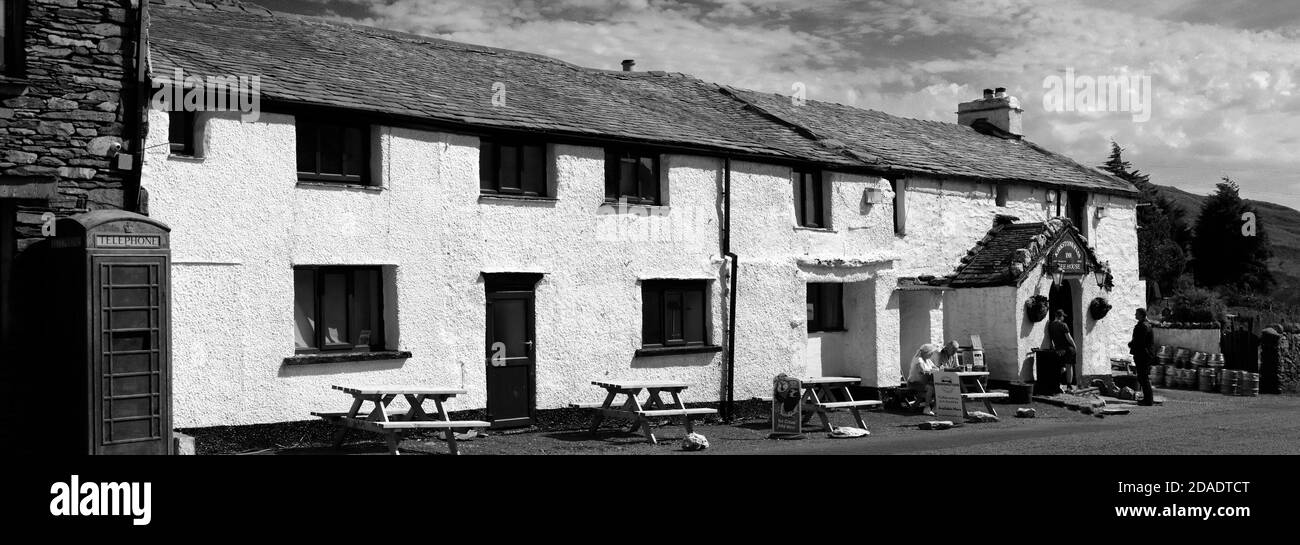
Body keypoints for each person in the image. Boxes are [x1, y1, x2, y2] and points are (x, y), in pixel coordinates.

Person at [1129, 308, 1156, 406]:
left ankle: (1148, 400)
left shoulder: (1142, 326)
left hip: (1142, 355)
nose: (1135, 315)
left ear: (1141, 315)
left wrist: (1131, 344)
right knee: (1143, 377)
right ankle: (1148, 399)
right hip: (1146, 355)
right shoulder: (1147, 325)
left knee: (1143, 378)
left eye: (1136, 313)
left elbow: (1139, 342)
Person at [1047, 309, 1077, 391]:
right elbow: (1069, 338)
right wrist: (1074, 346)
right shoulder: (1063, 325)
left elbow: (1051, 338)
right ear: (1060, 316)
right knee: (1069, 366)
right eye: (1063, 316)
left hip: (1058, 349)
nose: (1064, 318)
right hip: (1068, 349)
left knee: (1061, 367)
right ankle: (1069, 385)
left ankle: (1057, 383)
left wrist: (1053, 346)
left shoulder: (1051, 325)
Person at [907, 344, 939, 415]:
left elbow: (936, 368)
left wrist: (934, 369)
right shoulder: (918, 359)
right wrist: (933, 370)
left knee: (938, 386)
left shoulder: (928, 360)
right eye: (931, 352)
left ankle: (935, 408)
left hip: (923, 382)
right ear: (926, 352)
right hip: (914, 383)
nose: (932, 354)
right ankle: (926, 408)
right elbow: (922, 370)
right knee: (930, 388)